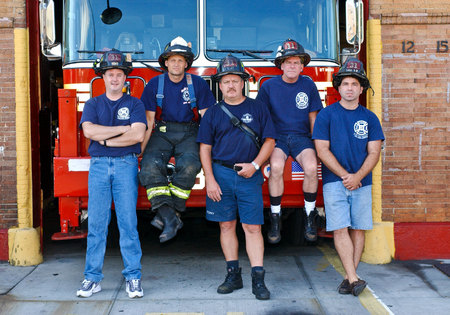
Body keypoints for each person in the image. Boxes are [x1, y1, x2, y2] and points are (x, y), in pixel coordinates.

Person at [197, 55, 276, 300]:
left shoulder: (258, 108)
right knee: (226, 225)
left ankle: (258, 279)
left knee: (252, 227)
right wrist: (209, 178)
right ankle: (233, 275)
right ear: (219, 86)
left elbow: (270, 141)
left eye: (235, 81)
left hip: (249, 175)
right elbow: (204, 148)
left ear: (243, 82)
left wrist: (255, 165)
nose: (230, 85)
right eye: (225, 82)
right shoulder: (212, 113)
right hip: (220, 174)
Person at [77, 50, 147, 298]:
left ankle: (133, 277)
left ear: (125, 78)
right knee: (96, 224)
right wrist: (120, 131)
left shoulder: (135, 104)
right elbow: (88, 132)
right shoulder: (93, 103)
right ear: (103, 78)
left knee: (128, 223)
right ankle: (92, 278)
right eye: (110, 74)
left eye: (119, 74)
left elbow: (137, 135)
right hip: (98, 165)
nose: (115, 79)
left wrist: (104, 137)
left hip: (126, 165)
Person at [312, 58, 384, 296]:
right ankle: (354, 277)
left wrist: (358, 176)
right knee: (340, 228)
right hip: (335, 182)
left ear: (361, 88)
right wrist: (346, 176)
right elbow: (322, 150)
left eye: (354, 84)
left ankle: (348, 277)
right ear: (338, 87)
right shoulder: (326, 115)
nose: (350, 88)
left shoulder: (370, 118)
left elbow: (374, 152)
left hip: (362, 182)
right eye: (345, 84)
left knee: (359, 229)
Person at [139, 36, 216, 242]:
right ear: (165, 62)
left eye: (180, 60)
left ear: (186, 64)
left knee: (191, 165)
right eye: (172, 60)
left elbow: (207, 117)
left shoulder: (197, 83)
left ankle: (166, 215)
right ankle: (171, 217)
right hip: (161, 132)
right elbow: (148, 120)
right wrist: (140, 150)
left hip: (191, 131)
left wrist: (210, 147)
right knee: (149, 165)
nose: (176, 64)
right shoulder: (154, 84)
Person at [256, 38, 323, 244]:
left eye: (296, 62)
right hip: (278, 138)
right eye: (288, 62)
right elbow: (262, 118)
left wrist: (318, 146)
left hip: (303, 138)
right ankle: (275, 217)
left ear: (302, 66)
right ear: (281, 65)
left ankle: (309, 215)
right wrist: (263, 147)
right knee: (276, 166)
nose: (292, 66)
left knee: (311, 168)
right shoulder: (268, 86)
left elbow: (313, 117)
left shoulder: (309, 86)